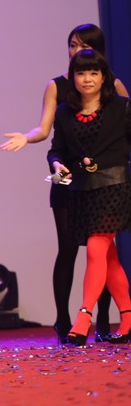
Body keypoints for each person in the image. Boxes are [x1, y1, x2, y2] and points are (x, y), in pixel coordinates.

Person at [1, 24, 128, 342]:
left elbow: (120, 134)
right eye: (72, 45)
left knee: (99, 247)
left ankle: (92, 318)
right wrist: (29, 140)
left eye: (84, 46)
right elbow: (46, 134)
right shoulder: (61, 97)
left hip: (110, 184)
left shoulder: (116, 95)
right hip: (70, 181)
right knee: (77, 248)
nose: (76, 51)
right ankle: (74, 319)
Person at [47, 49, 131, 345]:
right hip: (81, 191)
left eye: (94, 73)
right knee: (109, 257)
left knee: (96, 248)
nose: (87, 79)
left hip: (114, 187)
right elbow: (56, 150)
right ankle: (128, 317)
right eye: (81, 73)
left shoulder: (121, 107)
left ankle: (83, 318)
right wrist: (57, 164)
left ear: (104, 76)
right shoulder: (64, 113)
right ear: (73, 77)